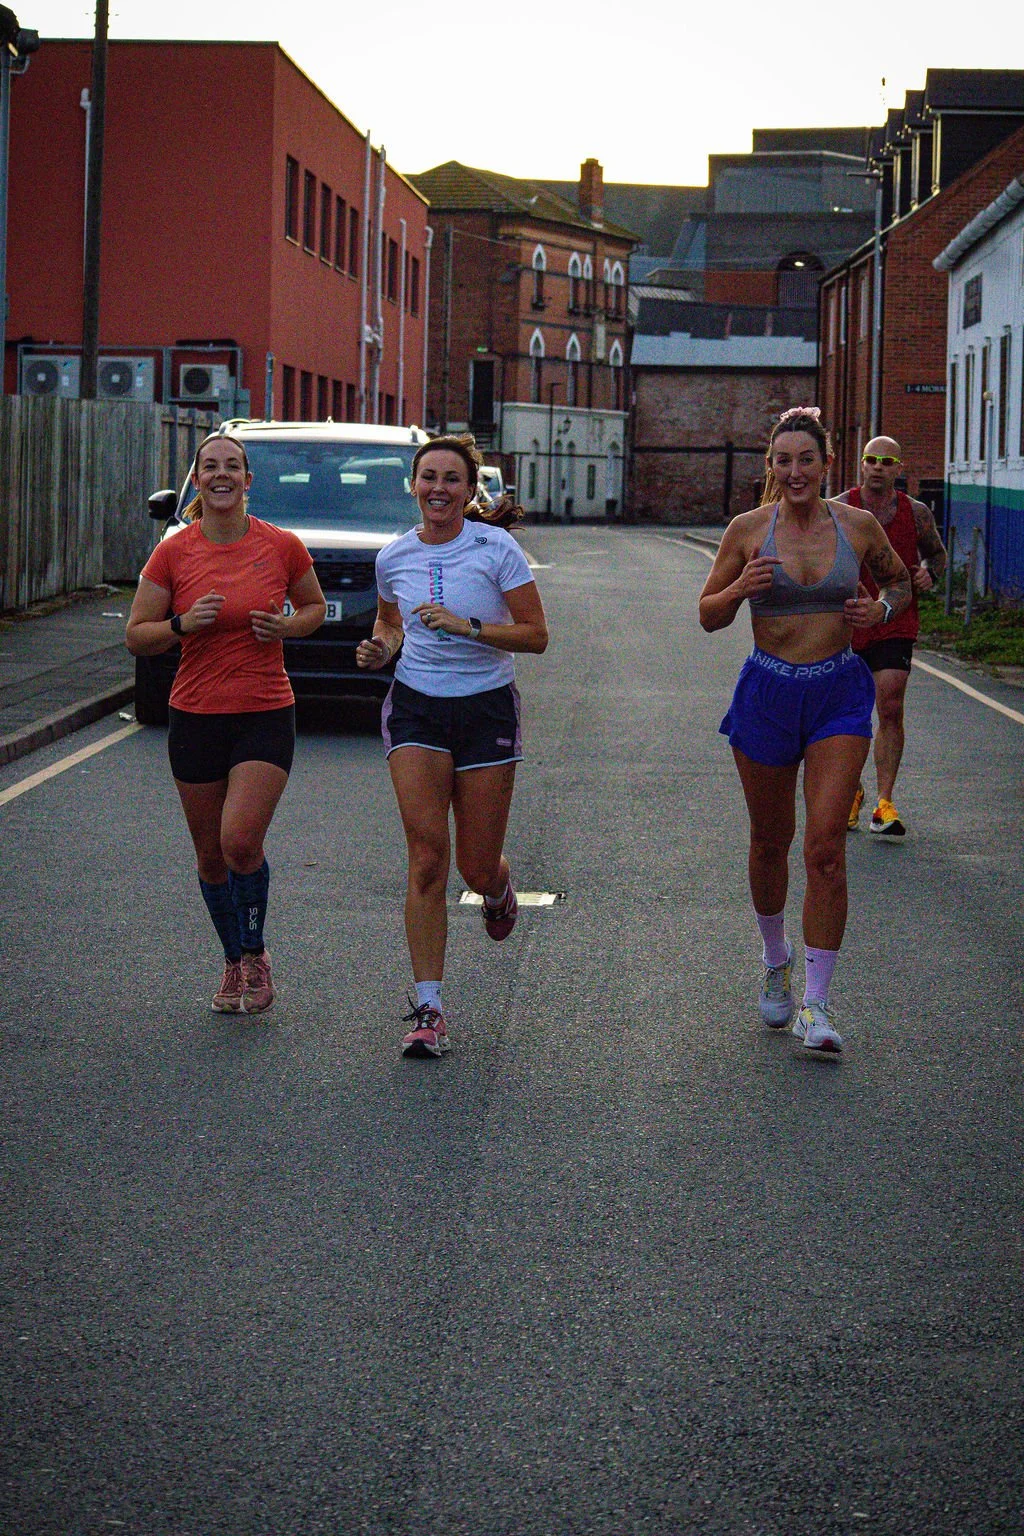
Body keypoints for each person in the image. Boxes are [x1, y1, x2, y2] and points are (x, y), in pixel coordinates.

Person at [698, 407, 912, 1054]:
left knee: (824, 847)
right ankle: (775, 958)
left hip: (837, 694)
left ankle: (815, 1006)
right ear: (772, 467)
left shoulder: (858, 526)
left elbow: (901, 583)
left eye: (806, 460)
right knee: (771, 841)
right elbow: (708, 615)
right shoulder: (746, 530)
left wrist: (878, 606)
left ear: (825, 466)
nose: (795, 472)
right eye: (783, 461)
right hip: (766, 692)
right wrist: (738, 587)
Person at [357, 435, 548, 1058]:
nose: (439, 488)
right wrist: (382, 648)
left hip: (486, 706)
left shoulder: (497, 548)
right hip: (416, 706)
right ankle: (429, 1008)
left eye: (452, 479)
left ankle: (496, 888)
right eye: (428, 477)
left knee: (473, 864)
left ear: (471, 491)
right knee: (427, 857)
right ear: (413, 486)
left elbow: (536, 635)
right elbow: (389, 622)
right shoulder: (394, 557)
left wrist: (467, 626)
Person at [126, 432, 326, 1014]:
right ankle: (235, 960)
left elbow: (311, 609)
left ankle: (256, 954)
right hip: (194, 715)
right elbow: (137, 635)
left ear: (247, 480)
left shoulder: (282, 546)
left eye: (232, 466)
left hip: (264, 710)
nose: (221, 475)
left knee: (240, 842)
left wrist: (287, 627)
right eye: (209, 466)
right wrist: (184, 624)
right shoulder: (173, 552)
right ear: (197, 479)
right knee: (211, 857)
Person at [836, 436, 947, 837]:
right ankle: (851, 790)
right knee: (848, 714)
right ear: (861, 465)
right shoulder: (839, 508)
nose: (878, 467)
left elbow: (937, 553)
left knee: (890, 705)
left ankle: (884, 803)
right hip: (847, 621)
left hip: (895, 620)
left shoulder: (915, 514)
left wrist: (928, 574)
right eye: (871, 459)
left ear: (899, 469)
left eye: (887, 461)